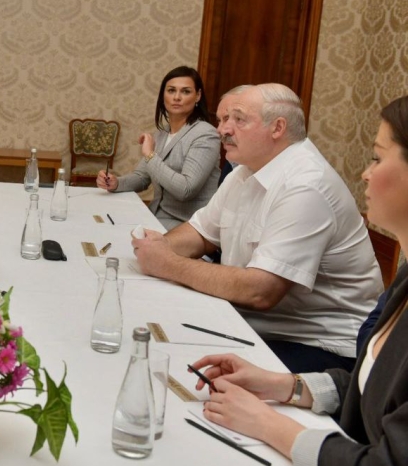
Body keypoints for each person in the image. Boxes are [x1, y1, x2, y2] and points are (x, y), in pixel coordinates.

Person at [190, 95, 408, 466]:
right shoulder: (405, 279)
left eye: (377, 158)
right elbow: (368, 386)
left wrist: (269, 425)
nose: (365, 174)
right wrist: (283, 384)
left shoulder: (306, 183)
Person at [133, 83, 381, 373]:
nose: (222, 130)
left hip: (322, 347)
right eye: (223, 120)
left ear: (277, 127)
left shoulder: (305, 185)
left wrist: (168, 264)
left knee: (181, 370)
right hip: (259, 325)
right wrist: (157, 248)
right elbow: (200, 233)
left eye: (238, 120)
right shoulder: (245, 171)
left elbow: (261, 292)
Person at [97, 66, 220, 229]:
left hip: (187, 225)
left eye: (185, 91)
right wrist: (115, 183)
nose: (177, 97)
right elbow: (142, 177)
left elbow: (186, 189)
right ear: (163, 96)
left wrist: (150, 155)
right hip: (155, 215)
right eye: (171, 90)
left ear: (197, 96)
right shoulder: (161, 134)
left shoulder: (206, 134)